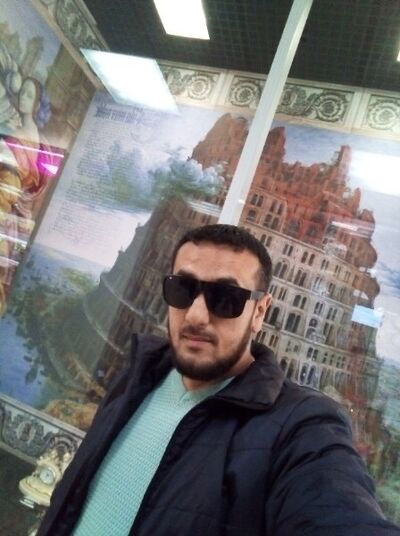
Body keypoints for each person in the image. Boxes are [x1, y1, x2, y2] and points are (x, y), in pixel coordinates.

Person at [38, 224, 400, 535]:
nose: (196, 316)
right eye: (182, 289)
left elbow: (336, 510)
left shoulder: (301, 426)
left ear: (259, 312)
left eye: (226, 298)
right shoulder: (137, 376)